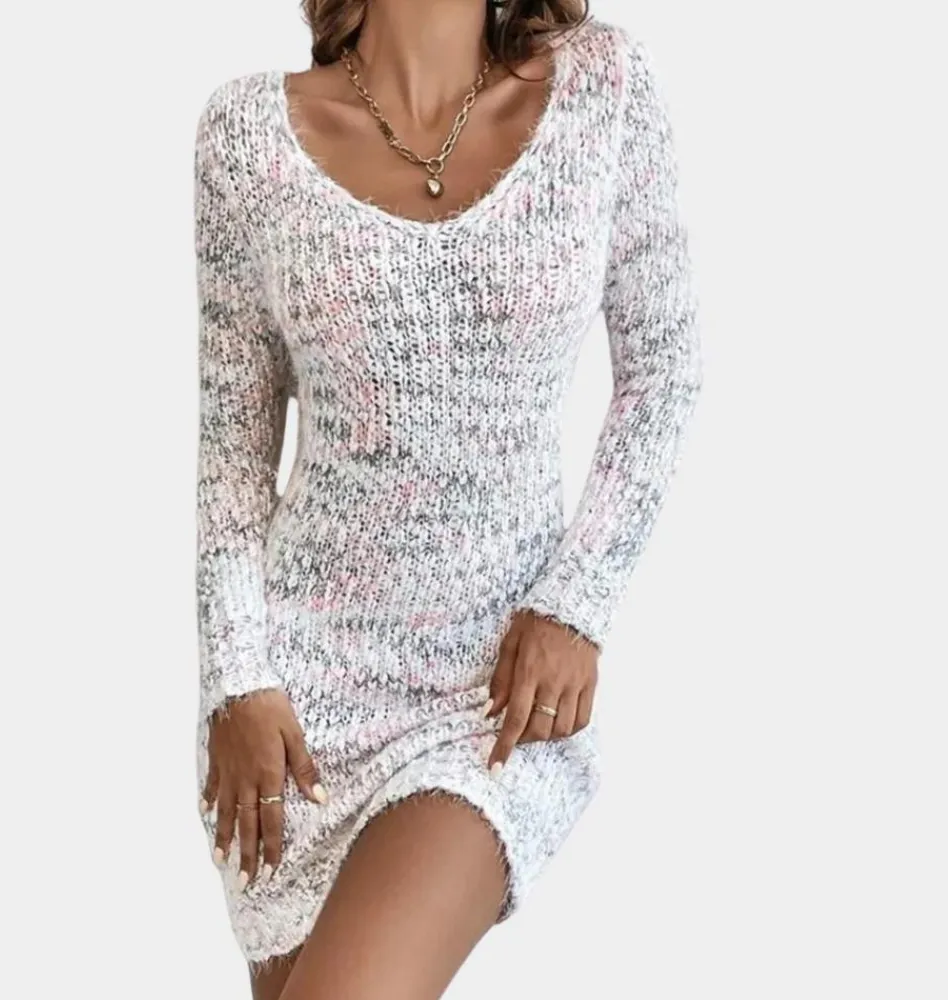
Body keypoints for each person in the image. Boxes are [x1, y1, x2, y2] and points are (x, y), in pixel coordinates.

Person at [191, 1, 702, 996]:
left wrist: (575, 603)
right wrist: (236, 681)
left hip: (494, 695)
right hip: (296, 708)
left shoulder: (603, 87)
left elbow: (664, 369)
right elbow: (231, 453)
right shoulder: (244, 136)